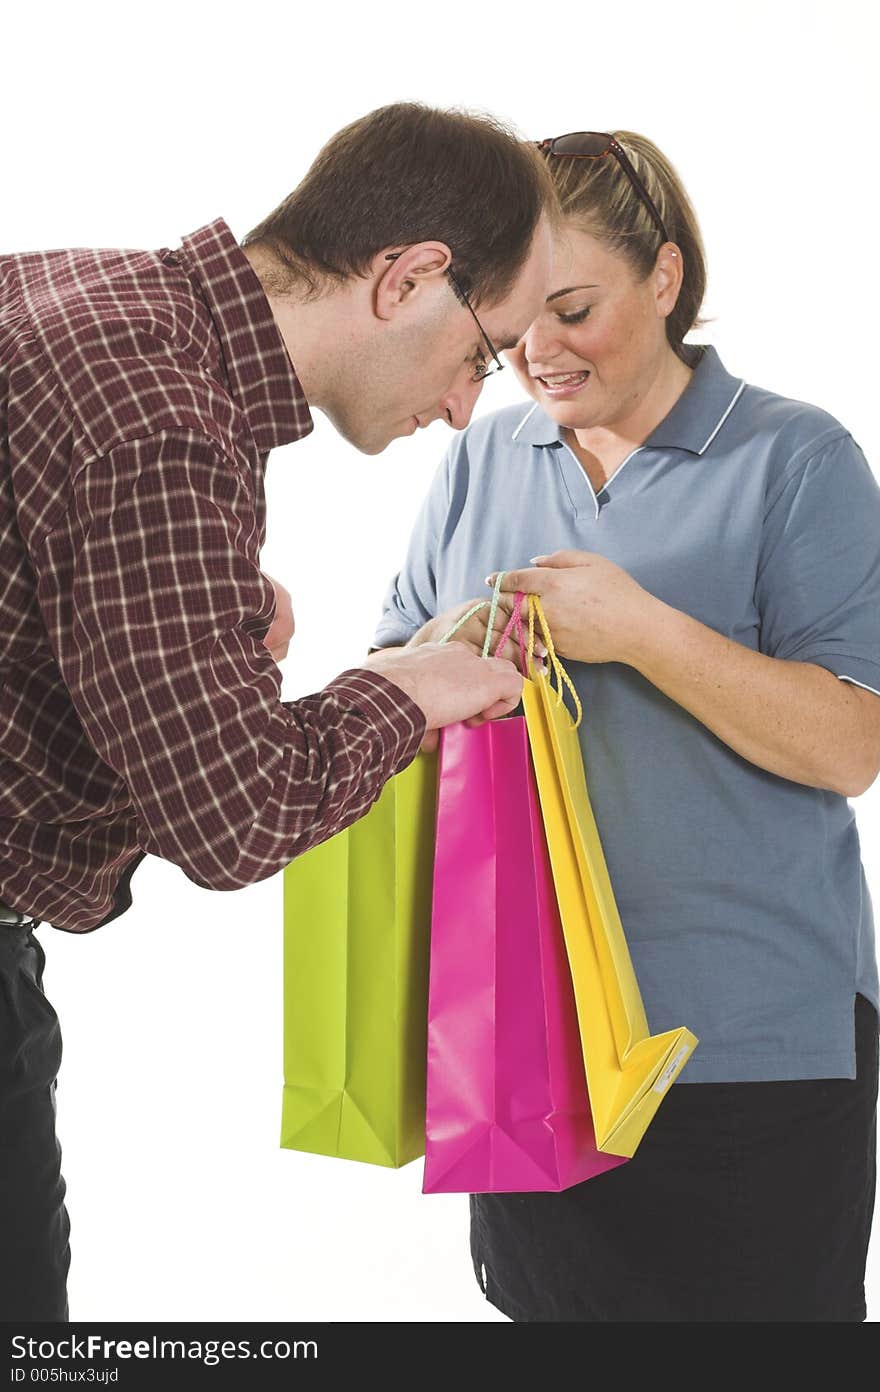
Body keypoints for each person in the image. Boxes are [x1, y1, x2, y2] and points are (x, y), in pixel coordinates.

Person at [0, 101, 557, 1321]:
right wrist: (401, 692)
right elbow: (235, 818)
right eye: (483, 352)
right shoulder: (161, 419)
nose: (468, 408)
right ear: (408, 277)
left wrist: (148, 609)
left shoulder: (73, 292)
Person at [372, 129, 880, 1322]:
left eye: (574, 308)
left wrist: (641, 630)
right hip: (529, 1033)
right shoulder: (482, 458)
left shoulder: (794, 460)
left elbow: (852, 743)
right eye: (511, 323)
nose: (538, 353)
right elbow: (390, 674)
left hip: (747, 1046)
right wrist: (446, 651)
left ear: (664, 277)